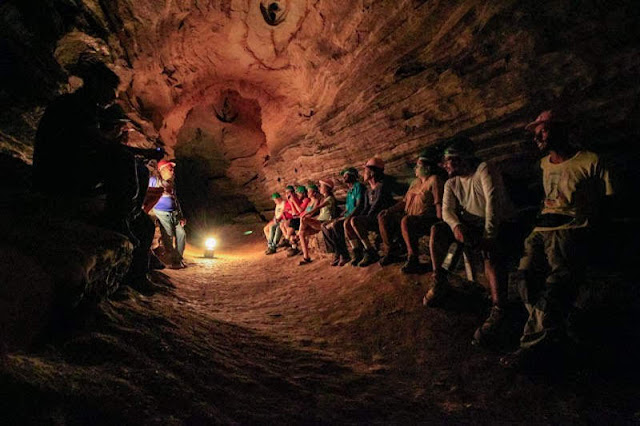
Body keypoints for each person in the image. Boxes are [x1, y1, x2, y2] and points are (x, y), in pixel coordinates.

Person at [501, 110, 614, 367]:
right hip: (541, 231)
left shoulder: (590, 161)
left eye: (544, 130)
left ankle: (531, 346)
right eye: (536, 132)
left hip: (570, 230)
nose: (538, 137)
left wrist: (593, 231)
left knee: (555, 286)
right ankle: (554, 330)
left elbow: (608, 199)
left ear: (562, 130)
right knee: (524, 278)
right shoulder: (543, 164)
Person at [423, 137, 515, 346]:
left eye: (449, 161)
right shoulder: (451, 182)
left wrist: (489, 237)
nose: (445, 166)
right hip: (472, 224)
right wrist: (456, 226)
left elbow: (493, 205)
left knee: (492, 251)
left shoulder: (484, 169)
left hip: (501, 222)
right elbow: (447, 211)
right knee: (438, 230)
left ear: (462, 159)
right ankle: (440, 280)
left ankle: (500, 309)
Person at [377, 149, 444, 272]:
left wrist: (440, 221)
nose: (416, 169)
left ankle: (413, 259)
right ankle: (391, 252)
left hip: (425, 218)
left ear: (427, 167)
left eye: (418, 166)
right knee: (383, 216)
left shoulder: (434, 180)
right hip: (409, 215)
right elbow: (404, 201)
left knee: (406, 221)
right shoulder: (415, 182)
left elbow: (438, 201)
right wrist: (390, 210)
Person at [350, 157, 396, 267]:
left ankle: (373, 252)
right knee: (353, 221)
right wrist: (360, 218)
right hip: (373, 217)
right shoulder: (368, 190)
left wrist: (362, 219)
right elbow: (366, 207)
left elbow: (376, 206)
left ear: (372, 172)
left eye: (365, 171)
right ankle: (367, 251)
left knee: (356, 221)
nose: (363, 174)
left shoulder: (382, 187)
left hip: (381, 219)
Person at [321, 167, 367, 266]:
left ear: (353, 176)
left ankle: (345, 255)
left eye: (346, 175)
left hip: (356, 215)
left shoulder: (358, 186)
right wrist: (341, 215)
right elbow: (347, 208)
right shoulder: (350, 191)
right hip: (348, 215)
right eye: (344, 175)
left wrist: (348, 216)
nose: (344, 177)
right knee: (328, 225)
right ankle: (339, 253)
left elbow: (359, 205)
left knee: (336, 225)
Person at [149, 160, 187, 269]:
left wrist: (181, 216)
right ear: (162, 169)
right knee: (168, 235)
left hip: (174, 213)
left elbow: (176, 200)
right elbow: (147, 195)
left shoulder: (171, 183)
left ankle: (178, 258)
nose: (172, 170)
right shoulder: (154, 180)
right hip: (161, 212)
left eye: (172, 168)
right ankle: (175, 260)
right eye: (170, 168)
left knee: (181, 234)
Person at [298, 179, 338, 265]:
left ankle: (300, 232)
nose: (319, 188)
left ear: (326, 188)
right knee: (302, 233)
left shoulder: (329, 198)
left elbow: (318, 207)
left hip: (325, 222)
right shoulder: (324, 198)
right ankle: (306, 257)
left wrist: (306, 214)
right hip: (320, 221)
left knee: (303, 219)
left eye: (321, 186)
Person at [284, 185, 310, 257]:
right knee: (290, 223)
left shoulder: (306, 200)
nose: (298, 195)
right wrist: (292, 202)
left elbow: (300, 210)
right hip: (300, 218)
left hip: (305, 219)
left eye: (299, 193)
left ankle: (287, 240)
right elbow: (295, 212)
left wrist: (294, 202)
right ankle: (293, 247)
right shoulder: (301, 200)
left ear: (303, 193)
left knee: (293, 222)